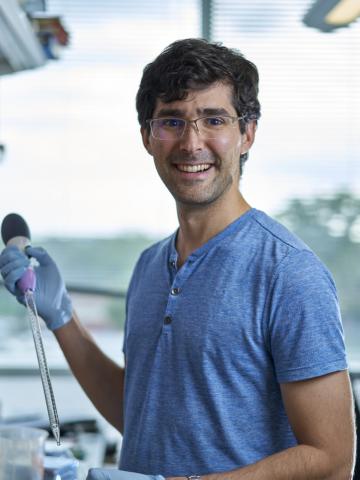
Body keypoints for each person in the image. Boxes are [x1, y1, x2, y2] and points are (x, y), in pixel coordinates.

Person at [0, 38, 356, 479]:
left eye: (213, 119)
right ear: (148, 137)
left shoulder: (289, 273)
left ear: (246, 133)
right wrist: (62, 318)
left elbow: (334, 459)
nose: (192, 143)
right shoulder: (150, 266)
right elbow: (140, 415)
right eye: (172, 120)